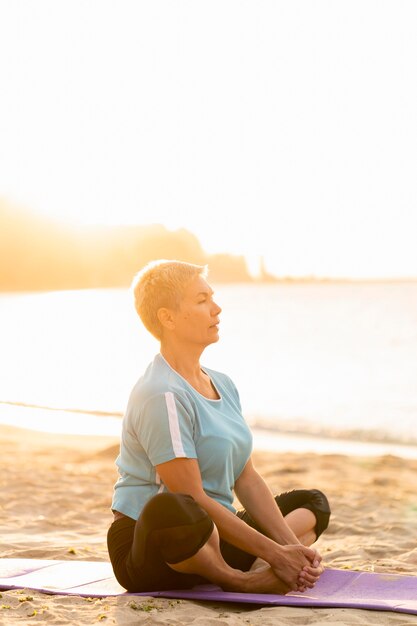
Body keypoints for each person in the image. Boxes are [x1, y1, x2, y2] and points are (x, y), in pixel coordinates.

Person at [107, 260, 331, 594]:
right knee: (176, 507)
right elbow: (190, 496)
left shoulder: (223, 383)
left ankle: (266, 567)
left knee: (312, 503)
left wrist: (288, 550)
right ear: (167, 317)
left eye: (212, 297)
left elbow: (247, 478)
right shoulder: (161, 394)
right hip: (162, 542)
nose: (217, 308)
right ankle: (239, 580)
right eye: (201, 300)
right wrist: (274, 552)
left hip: (218, 532)